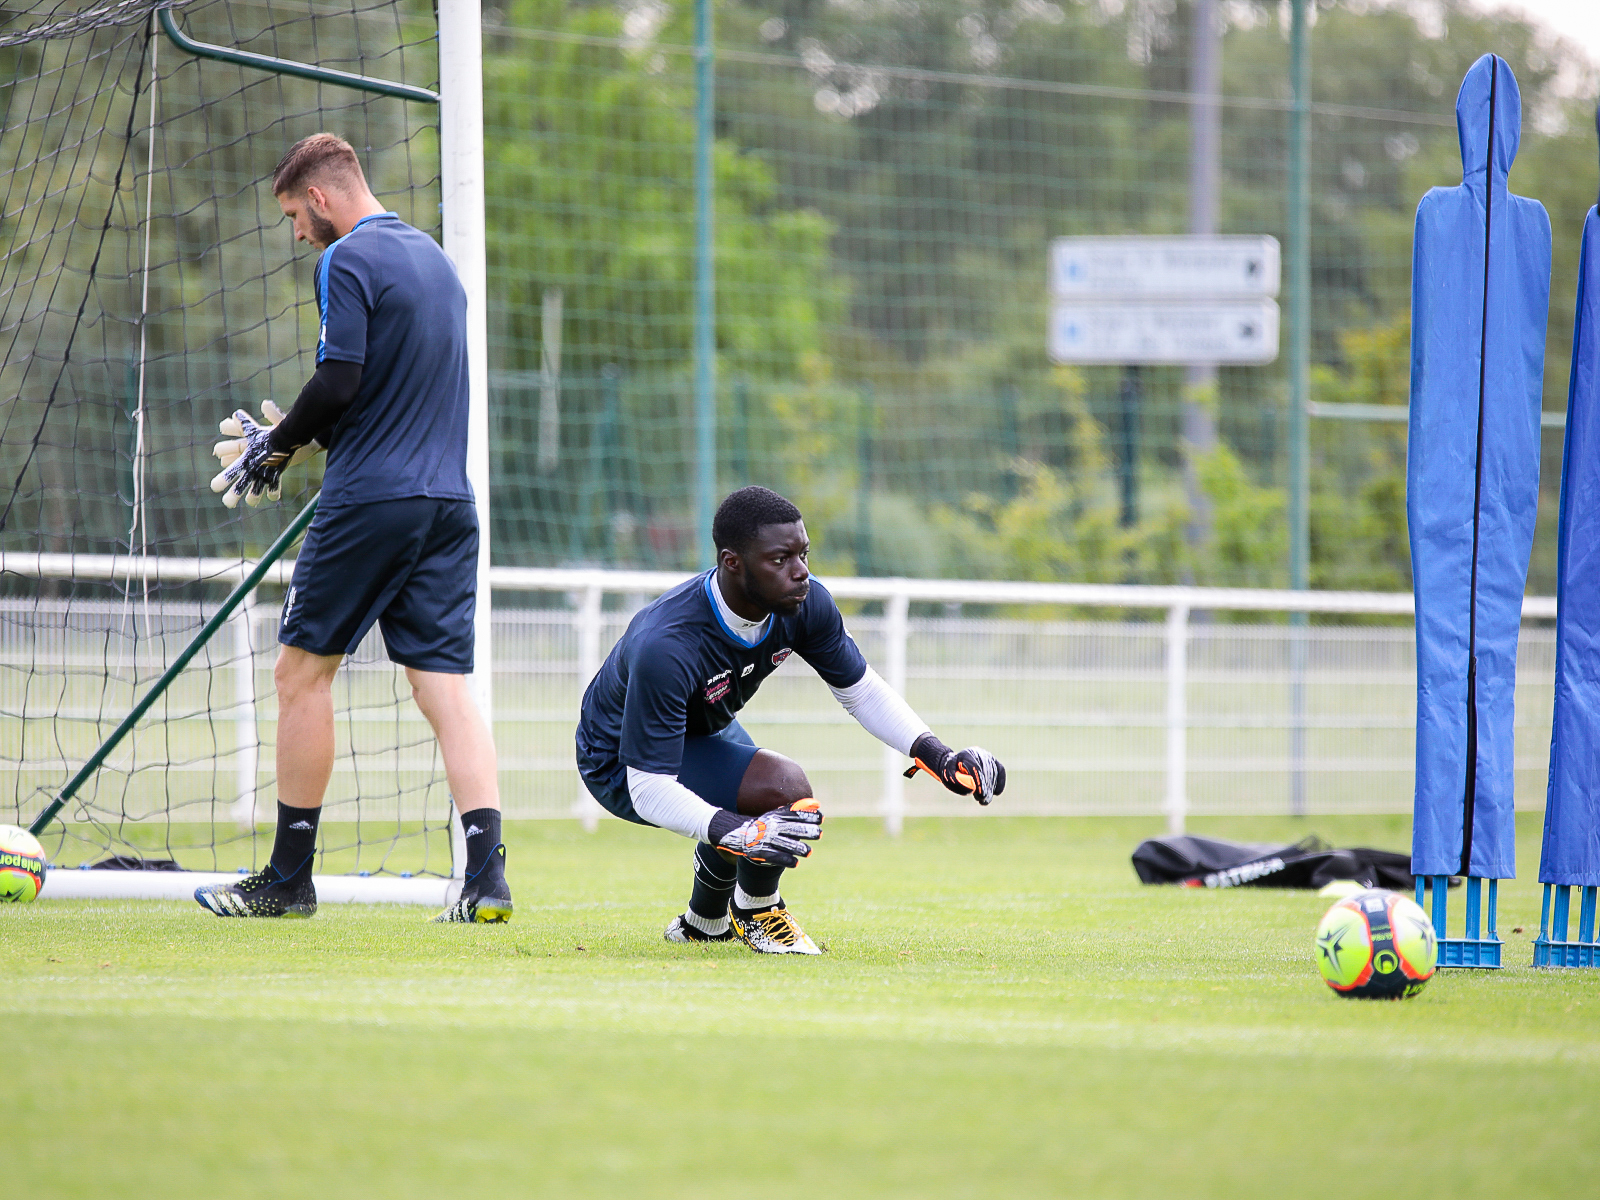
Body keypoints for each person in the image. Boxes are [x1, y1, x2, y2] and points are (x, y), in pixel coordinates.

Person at [195, 133, 510, 924]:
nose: (298, 232)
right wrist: (308, 435)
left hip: (373, 500)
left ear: (324, 198)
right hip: (450, 504)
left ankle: (288, 879)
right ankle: (487, 879)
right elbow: (391, 392)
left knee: (301, 677)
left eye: (297, 215)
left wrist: (279, 442)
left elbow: (340, 381)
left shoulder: (344, 261)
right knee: (443, 687)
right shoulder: (436, 260)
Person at [576, 485, 1006, 954]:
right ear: (732, 562)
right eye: (780, 559)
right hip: (618, 759)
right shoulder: (667, 644)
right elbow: (648, 787)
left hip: (703, 729)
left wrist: (938, 756)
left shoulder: (805, 603)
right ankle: (758, 911)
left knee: (758, 801)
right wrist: (734, 830)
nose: (801, 572)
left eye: (803, 553)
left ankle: (703, 923)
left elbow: (860, 691)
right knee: (780, 789)